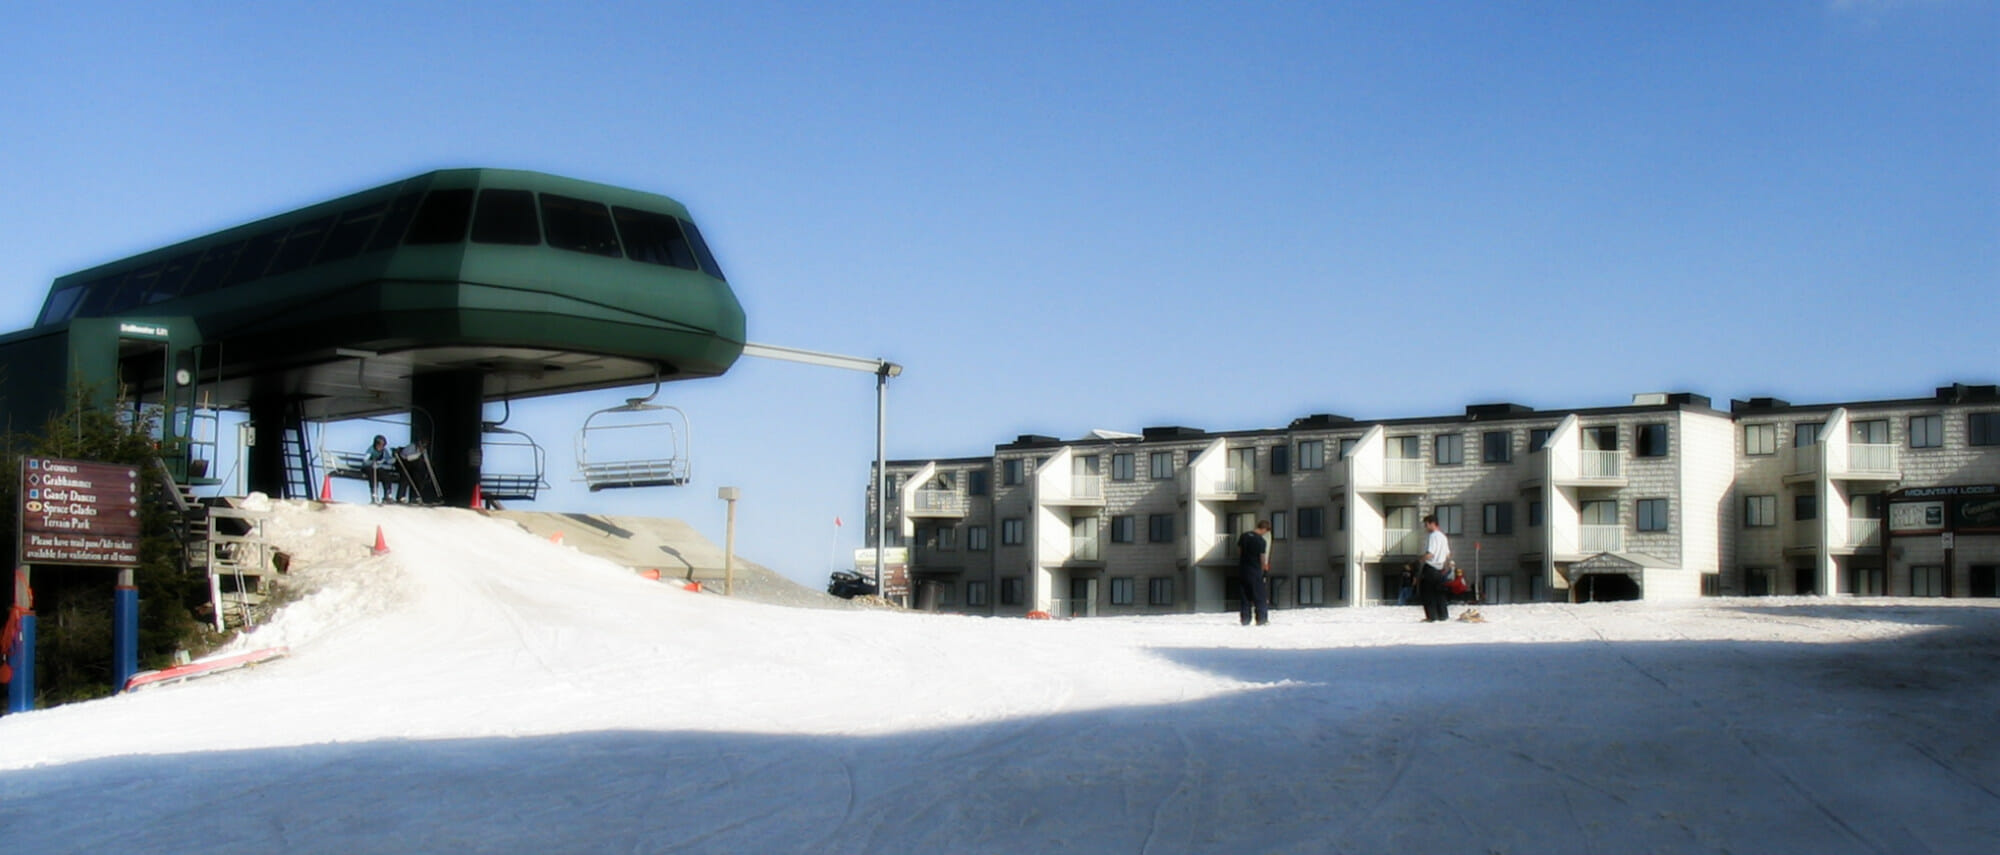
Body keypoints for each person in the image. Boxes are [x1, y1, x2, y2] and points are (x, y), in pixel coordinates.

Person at [1236, 519, 1273, 626]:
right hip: (1255, 570)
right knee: (1259, 596)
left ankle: (1245, 619)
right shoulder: (1261, 541)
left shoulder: (1244, 536)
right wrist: (1264, 569)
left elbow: (1239, 551)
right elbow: (1262, 557)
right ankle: (1261, 619)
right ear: (1264, 529)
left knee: (1245, 596)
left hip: (1243, 569)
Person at [1419, 513, 1452, 622]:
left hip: (1431, 567)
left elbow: (1430, 553)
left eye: (1426, 525)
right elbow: (1447, 554)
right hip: (1440, 569)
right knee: (1439, 593)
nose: (1426, 527)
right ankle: (1443, 615)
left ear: (1432, 524)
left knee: (1427, 593)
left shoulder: (1433, 536)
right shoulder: (1443, 536)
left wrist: (1421, 559)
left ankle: (1432, 616)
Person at [364, 435, 397, 503]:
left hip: (378, 468)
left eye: (383, 445)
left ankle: (387, 495)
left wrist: (393, 459)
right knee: (372, 475)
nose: (381, 447)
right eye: (380, 445)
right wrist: (373, 462)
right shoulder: (371, 450)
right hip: (368, 468)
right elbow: (365, 461)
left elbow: (388, 459)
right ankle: (374, 495)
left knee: (386, 476)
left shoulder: (384, 451)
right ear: (376, 444)